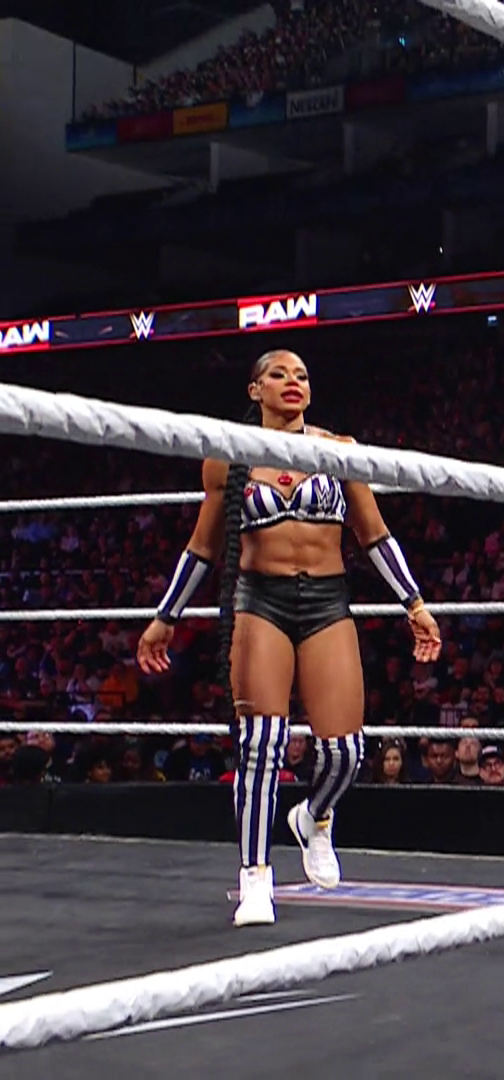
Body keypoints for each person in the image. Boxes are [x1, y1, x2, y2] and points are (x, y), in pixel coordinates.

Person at [136, 350, 441, 926]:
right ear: (255, 389)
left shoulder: (339, 451)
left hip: (326, 600)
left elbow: (374, 534)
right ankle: (255, 877)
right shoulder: (228, 455)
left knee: (345, 750)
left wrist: (415, 604)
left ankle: (315, 816)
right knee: (260, 742)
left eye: (302, 374)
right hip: (261, 601)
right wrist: (166, 615)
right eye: (278, 374)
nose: (293, 382)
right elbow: (203, 546)